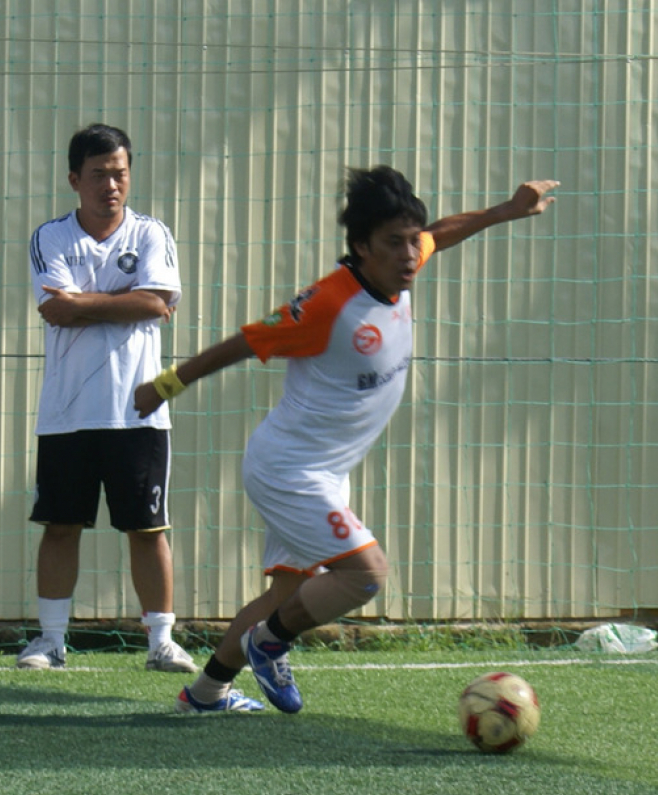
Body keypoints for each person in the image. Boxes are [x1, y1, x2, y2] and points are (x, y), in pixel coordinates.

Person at [135, 166, 558, 713]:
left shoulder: (397, 267)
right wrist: (167, 384)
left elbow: (442, 234)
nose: (410, 254)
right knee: (365, 573)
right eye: (394, 243)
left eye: (412, 241)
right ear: (361, 247)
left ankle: (205, 694)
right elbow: (243, 343)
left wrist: (505, 209)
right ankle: (269, 643)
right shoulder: (328, 305)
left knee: (285, 598)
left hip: (324, 471)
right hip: (289, 472)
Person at [18, 123, 197, 674]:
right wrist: (126, 297)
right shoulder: (50, 237)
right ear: (75, 180)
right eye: (98, 175)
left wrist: (88, 304)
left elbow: (156, 304)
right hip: (67, 413)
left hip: (138, 412)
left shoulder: (151, 234)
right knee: (61, 525)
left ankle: (161, 642)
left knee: (147, 529)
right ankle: (50, 641)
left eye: (119, 173)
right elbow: (55, 308)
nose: (110, 185)